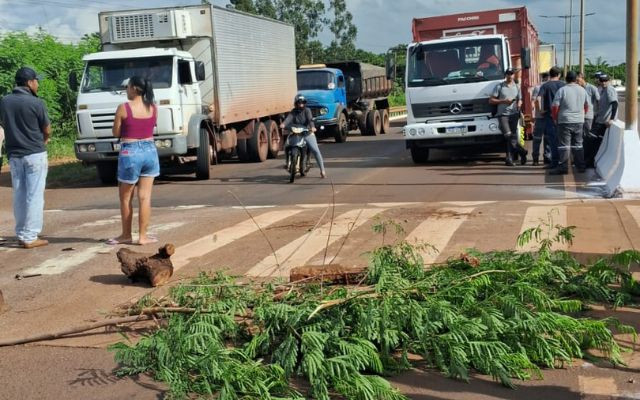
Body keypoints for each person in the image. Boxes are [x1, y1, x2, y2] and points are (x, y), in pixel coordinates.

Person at [0, 67, 50, 249]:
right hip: (34, 154)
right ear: (29, 83)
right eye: (36, 80)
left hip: (14, 155)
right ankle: (30, 236)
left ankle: (22, 233)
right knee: (35, 195)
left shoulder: (4, 101)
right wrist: (43, 141)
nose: (38, 83)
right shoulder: (37, 103)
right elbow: (47, 129)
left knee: (19, 195)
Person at [109, 76, 160, 245]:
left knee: (126, 198)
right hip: (150, 151)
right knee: (145, 197)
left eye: (128, 87)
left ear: (134, 88)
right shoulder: (153, 107)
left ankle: (126, 235)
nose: (126, 90)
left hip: (130, 152)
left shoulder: (123, 108)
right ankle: (143, 237)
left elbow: (116, 133)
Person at [550, 71, 588, 175]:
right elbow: (586, 106)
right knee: (578, 144)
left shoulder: (562, 90)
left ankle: (563, 167)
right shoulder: (582, 90)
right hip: (579, 121)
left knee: (564, 146)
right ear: (576, 79)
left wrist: (555, 118)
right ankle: (581, 166)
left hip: (565, 121)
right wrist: (581, 115)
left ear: (566, 79)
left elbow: (555, 106)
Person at [280, 95, 326, 178]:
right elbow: (288, 119)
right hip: (296, 133)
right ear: (296, 103)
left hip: (307, 132)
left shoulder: (307, 110)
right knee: (286, 146)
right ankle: (287, 163)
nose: (301, 105)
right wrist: (283, 124)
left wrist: (312, 127)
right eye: (299, 103)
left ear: (305, 103)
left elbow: (310, 119)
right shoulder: (293, 112)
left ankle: (322, 170)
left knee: (315, 150)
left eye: (302, 103)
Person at [489, 68, 527, 166]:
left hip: (514, 114)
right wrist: (504, 101)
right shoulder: (499, 86)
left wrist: (519, 104)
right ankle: (522, 152)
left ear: (514, 75)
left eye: (511, 74)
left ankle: (509, 158)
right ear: (505, 75)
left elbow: (520, 99)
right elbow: (491, 100)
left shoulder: (517, 87)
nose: (510, 76)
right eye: (508, 74)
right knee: (508, 135)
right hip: (503, 115)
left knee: (511, 137)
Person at [536, 67, 565, 169]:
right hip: (562, 116)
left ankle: (554, 162)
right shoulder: (563, 85)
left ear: (550, 74)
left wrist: (540, 110)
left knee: (552, 140)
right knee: (563, 140)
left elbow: (538, 98)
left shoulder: (545, 85)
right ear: (559, 75)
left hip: (550, 115)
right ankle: (564, 162)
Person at [589, 74, 619, 158]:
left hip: (605, 121)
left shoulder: (609, 89)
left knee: (592, 139)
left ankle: (590, 159)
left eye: (606, 81)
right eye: (602, 81)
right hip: (600, 119)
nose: (604, 83)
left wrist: (612, 119)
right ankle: (592, 159)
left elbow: (615, 104)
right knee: (596, 141)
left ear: (609, 81)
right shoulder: (602, 89)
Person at [577, 72, 601, 168]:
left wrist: (599, 114)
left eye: (578, 80)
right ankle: (581, 158)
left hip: (588, 116)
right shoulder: (577, 89)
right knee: (580, 138)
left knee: (588, 138)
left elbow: (599, 101)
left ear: (583, 78)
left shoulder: (592, 88)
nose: (577, 82)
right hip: (579, 116)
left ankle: (587, 159)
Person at [531, 72, 550, 165]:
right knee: (547, 138)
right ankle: (547, 158)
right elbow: (537, 101)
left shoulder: (537, 87)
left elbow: (534, 101)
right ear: (548, 78)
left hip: (539, 117)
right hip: (547, 116)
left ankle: (535, 159)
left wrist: (536, 113)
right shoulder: (549, 87)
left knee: (537, 139)